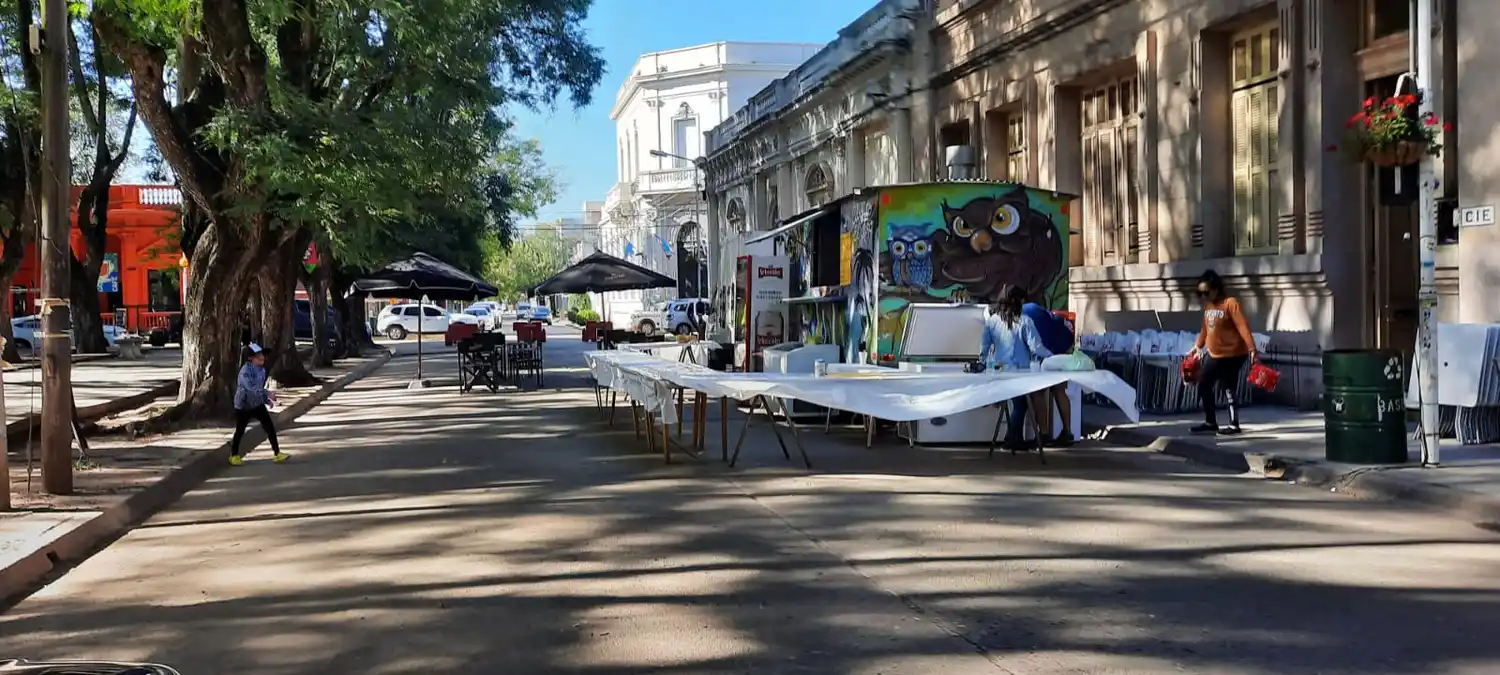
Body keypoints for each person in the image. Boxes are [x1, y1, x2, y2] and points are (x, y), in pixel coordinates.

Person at [978, 285, 1052, 449]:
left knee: (1016, 404)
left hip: (998, 371)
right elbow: (1036, 348)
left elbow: (984, 346)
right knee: (1021, 405)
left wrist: (982, 362)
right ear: (1019, 301)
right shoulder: (1025, 321)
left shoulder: (992, 321)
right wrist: (1053, 358)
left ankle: (1012, 437)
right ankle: (1012, 439)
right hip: (1020, 372)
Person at [1190, 270, 1258, 435]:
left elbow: (1243, 326)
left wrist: (1252, 349)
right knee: (1205, 384)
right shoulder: (1209, 307)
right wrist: (1197, 346)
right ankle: (1211, 422)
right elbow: (1205, 329)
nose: (1204, 296)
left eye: (1206, 292)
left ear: (1216, 289)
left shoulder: (1230, 303)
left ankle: (1234, 425)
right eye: (1200, 293)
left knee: (1227, 386)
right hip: (1214, 354)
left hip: (1233, 354)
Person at [1020, 299, 1076, 447]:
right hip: (1059, 353)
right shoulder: (1037, 308)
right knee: (1059, 391)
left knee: (1038, 394)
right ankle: (1067, 431)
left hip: (1041, 356)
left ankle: (1044, 434)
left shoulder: (1021, 314)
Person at [229, 343, 290, 466]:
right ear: (250, 358)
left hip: (257, 404)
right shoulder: (245, 372)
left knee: (269, 427)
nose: (262, 357)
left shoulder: (261, 370)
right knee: (240, 430)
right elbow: (251, 388)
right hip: (244, 406)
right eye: (258, 355)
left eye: (262, 354)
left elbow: (259, 388)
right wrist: (268, 394)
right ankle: (234, 455)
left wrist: (266, 400)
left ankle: (277, 453)